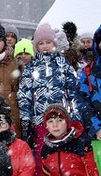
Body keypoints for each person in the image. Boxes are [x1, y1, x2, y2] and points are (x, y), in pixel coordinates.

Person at [17, 24, 87, 164]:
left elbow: (73, 92)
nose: (45, 46)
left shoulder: (63, 64)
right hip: (40, 122)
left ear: (54, 43)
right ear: (36, 46)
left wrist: (74, 116)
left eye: (48, 42)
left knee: (64, 159)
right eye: (41, 43)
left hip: (63, 121)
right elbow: (24, 95)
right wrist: (26, 121)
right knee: (42, 159)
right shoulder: (32, 67)